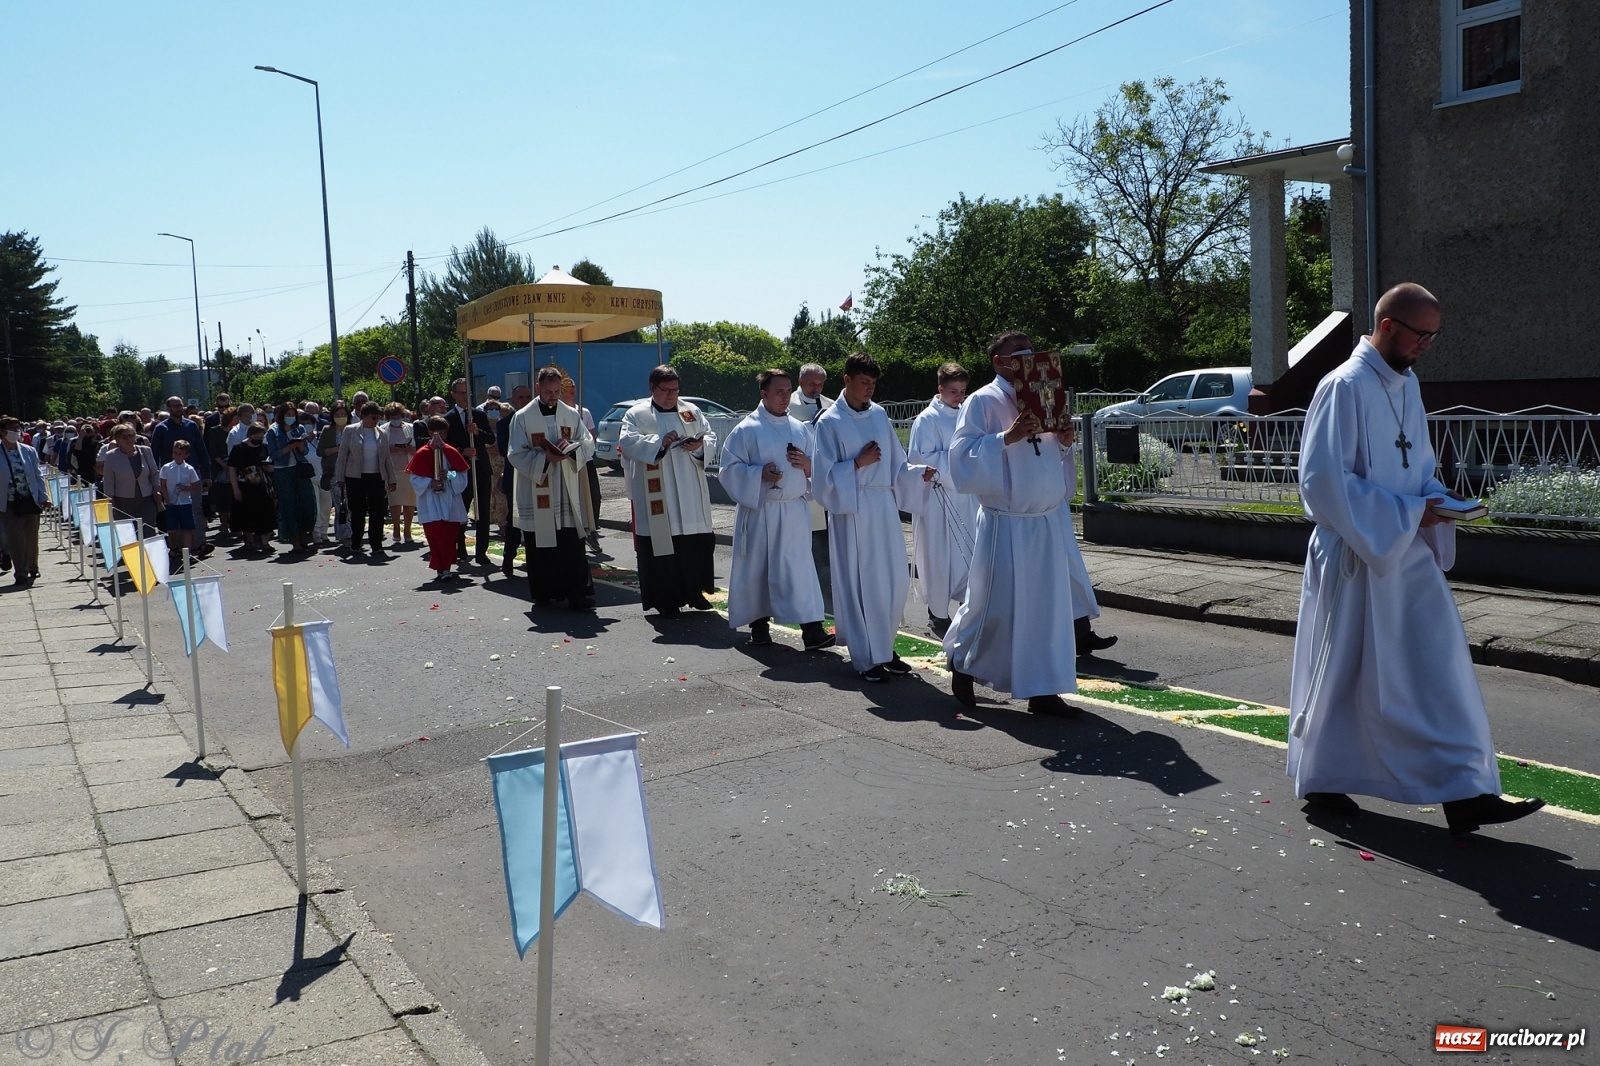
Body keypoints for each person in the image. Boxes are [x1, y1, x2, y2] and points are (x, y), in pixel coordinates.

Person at [1288, 282, 1543, 836]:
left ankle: (1466, 791)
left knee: (1438, 667)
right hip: (1356, 556)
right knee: (1344, 674)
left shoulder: (1408, 385)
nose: (1427, 346)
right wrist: (1408, 511)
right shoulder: (1343, 387)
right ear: (1387, 326)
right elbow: (1322, 482)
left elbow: (1417, 467)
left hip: (1405, 552)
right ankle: (1325, 776)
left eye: (1433, 336)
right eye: (1420, 335)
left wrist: (1438, 499)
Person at [943, 332, 1089, 716]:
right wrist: (1004, 438)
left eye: (1030, 352)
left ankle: (1043, 690)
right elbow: (960, 458)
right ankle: (963, 661)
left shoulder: (1045, 395)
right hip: (1006, 523)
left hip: (1045, 521)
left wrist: (1065, 442)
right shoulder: (982, 401)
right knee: (993, 605)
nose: (1027, 358)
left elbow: (1051, 456)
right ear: (998, 361)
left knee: (1046, 609)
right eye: (1017, 354)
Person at [812, 352, 933, 683]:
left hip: (883, 507)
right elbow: (822, 479)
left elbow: (897, 463)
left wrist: (916, 474)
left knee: (892, 580)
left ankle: (884, 647)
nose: (869, 389)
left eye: (874, 383)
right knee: (861, 584)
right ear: (847, 380)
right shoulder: (829, 422)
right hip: (852, 510)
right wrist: (856, 464)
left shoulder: (879, 415)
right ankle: (866, 658)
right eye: (864, 382)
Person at [718, 369, 834, 650]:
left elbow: (818, 467)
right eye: (778, 391)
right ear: (764, 393)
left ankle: (812, 630)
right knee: (758, 569)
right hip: (761, 510)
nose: (785, 396)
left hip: (793, 510)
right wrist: (759, 473)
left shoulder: (799, 428)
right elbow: (728, 470)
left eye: (787, 390)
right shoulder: (747, 429)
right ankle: (759, 627)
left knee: (800, 570)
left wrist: (807, 465)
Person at [618, 365, 717, 617]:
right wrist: (659, 443)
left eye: (675, 389)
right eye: (666, 390)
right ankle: (666, 600)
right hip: (658, 494)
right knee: (662, 548)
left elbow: (709, 435)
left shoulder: (690, 411)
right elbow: (627, 442)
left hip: (689, 490)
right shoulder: (636, 414)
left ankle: (695, 593)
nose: (672, 395)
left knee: (694, 544)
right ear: (652, 388)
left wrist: (699, 445)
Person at [506, 366, 596, 609]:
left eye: (557, 391)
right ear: (538, 388)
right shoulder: (523, 417)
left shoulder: (571, 414)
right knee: (541, 543)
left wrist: (571, 449)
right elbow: (515, 454)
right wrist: (545, 458)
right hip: (539, 487)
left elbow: (588, 443)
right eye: (548, 391)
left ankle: (576, 594)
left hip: (566, 487)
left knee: (570, 542)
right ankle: (544, 593)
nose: (553, 396)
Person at [908, 363, 982, 638]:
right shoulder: (926, 420)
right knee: (939, 557)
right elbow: (921, 458)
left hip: (967, 497)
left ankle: (968, 608)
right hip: (938, 499)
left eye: (963, 391)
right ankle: (938, 614)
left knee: (970, 555)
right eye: (953, 391)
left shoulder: (967, 416)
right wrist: (960, 464)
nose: (959, 397)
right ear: (940, 389)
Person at [408, 415, 471, 584]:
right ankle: (440, 567)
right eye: (437, 433)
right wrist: (430, 482)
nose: (441, 436)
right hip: (431, 500)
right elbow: (414, 478)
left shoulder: (451, 451)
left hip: (449, 498)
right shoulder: (422, 453)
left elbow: (462, 477)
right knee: (435, 534)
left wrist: (448, 475)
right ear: (430, 432)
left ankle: (447, 567)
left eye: (443, 433)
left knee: (449, 535)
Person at [334, 402, 398, 560]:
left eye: (378, 418)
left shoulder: (381, 433)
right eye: (373, 417)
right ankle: (356, 542)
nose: (376, 421)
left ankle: (376, 544)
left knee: (377, 511)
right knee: (357, 511)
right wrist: (340, 477)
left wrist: (392, 478)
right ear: (363, 416)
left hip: (376, 476)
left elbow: (387, 458)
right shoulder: (350, 431)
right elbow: (342, 456)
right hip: (355, 476)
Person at [445, 378, 495, 564]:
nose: (465, 397)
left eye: (467, 393)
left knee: (483, 512)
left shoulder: (478, 415)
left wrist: (477, 432)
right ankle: (460, 547)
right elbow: (445, 446)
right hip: (460, 472)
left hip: (481, 469)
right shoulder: (448, 419)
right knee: (460, 511)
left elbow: (490, 439)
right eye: (461, 393)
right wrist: (461, 451)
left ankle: (481, 552)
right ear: (454, 395)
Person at [0, 416, 48, 586]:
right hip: (8, 502)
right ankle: (20, 572)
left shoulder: (29, 451)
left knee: (31, 536)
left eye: (18, 428)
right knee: (14, 538)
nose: (16, 432)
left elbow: (37, 475)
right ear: (2, 432)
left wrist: (44, 496)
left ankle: (32, 566)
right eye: (12, 429)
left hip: (29, 499)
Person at [265, 401, 317, 553]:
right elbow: (273, 454)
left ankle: (304, 533)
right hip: (283, 470)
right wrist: (288, 448)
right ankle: (294, 540)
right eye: (288, 414)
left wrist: (300, 447)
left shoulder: (299, 428)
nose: (291, 417)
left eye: (293, 415)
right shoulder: (273, 431)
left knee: (307, 501)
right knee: (288, 505)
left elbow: (306, 451)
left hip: (299, 469)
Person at [561, 377, 604, 552]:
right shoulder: (559, 413)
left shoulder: (583, 412)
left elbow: (592, 437)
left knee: (594, 495)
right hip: (567, 461)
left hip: (585, 459)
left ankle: (592, 529)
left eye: (573, 386)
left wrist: (582, 441)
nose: (572, 389)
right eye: (567, 386)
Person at [496, 384, 534, 577]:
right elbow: (504, 450)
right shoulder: (505, 424)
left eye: (528, 397)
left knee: (535, 520)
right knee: (514, 520)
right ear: (513, 401)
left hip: (536, 476)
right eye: (521, 398)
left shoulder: (537, 420)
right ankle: (508, 558)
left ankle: (535, 560)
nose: (525, 401)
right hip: (515, 477)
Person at [98, 423, 161, 535]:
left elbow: (154, 473)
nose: (129, 439)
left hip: (146, 500)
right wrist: (111, 502)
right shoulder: (111, 456)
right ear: (117, 439)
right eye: (125, 437)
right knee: (128, 535)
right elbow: (108, 481)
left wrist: (157, 489)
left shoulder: (146, 451)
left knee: (148, 532)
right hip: (123, 502)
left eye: (131, 435)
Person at [227, 420, 277, 554]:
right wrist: (235, 489)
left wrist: (268, 467)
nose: (259, 439)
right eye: (256, 436)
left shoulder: (264, 448)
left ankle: (265, 543)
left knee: (265, 514)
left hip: (262, 486)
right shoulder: (239, 448)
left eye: (261, 437)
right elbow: (232, 469)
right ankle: (249, 540)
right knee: (246, 514)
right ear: (250, 435)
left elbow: (273, 466)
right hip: (245, 485)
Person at [156, 438, 202, 561]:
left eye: (180, 454)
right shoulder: (166, 468)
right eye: (175, 452)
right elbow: (163, 485)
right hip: (171, 503)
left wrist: (185, 487)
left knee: (187, 529)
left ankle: (187, 553)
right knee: (171, 530)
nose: (176, 455)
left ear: (186, 455)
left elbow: (195, 485)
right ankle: (173, 548)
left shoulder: (189, 469)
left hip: (185, 502)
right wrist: (166, 499)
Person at [382, 402, 418, 545]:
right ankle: (396, 528)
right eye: (392, 417)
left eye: (397, 416)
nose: (395, 419)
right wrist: (389, 449)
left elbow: (417, 450)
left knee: (409, 502)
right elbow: (379, 450)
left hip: (409, 469)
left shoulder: (411, 428)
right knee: (395, 502)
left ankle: (407, 530)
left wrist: (410, 449)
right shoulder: (383, 430)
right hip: (392, 470)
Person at [317, 401, 351, 546]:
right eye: (338, 415)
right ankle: (345, 535)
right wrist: (337, 448)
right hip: (334, 473)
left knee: (351, 504)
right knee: (340, 504)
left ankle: (350, 533)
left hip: (351, 472)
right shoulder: (327, 430)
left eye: (343, 414)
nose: (341, 417)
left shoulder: (353, 429)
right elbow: (320, 451)